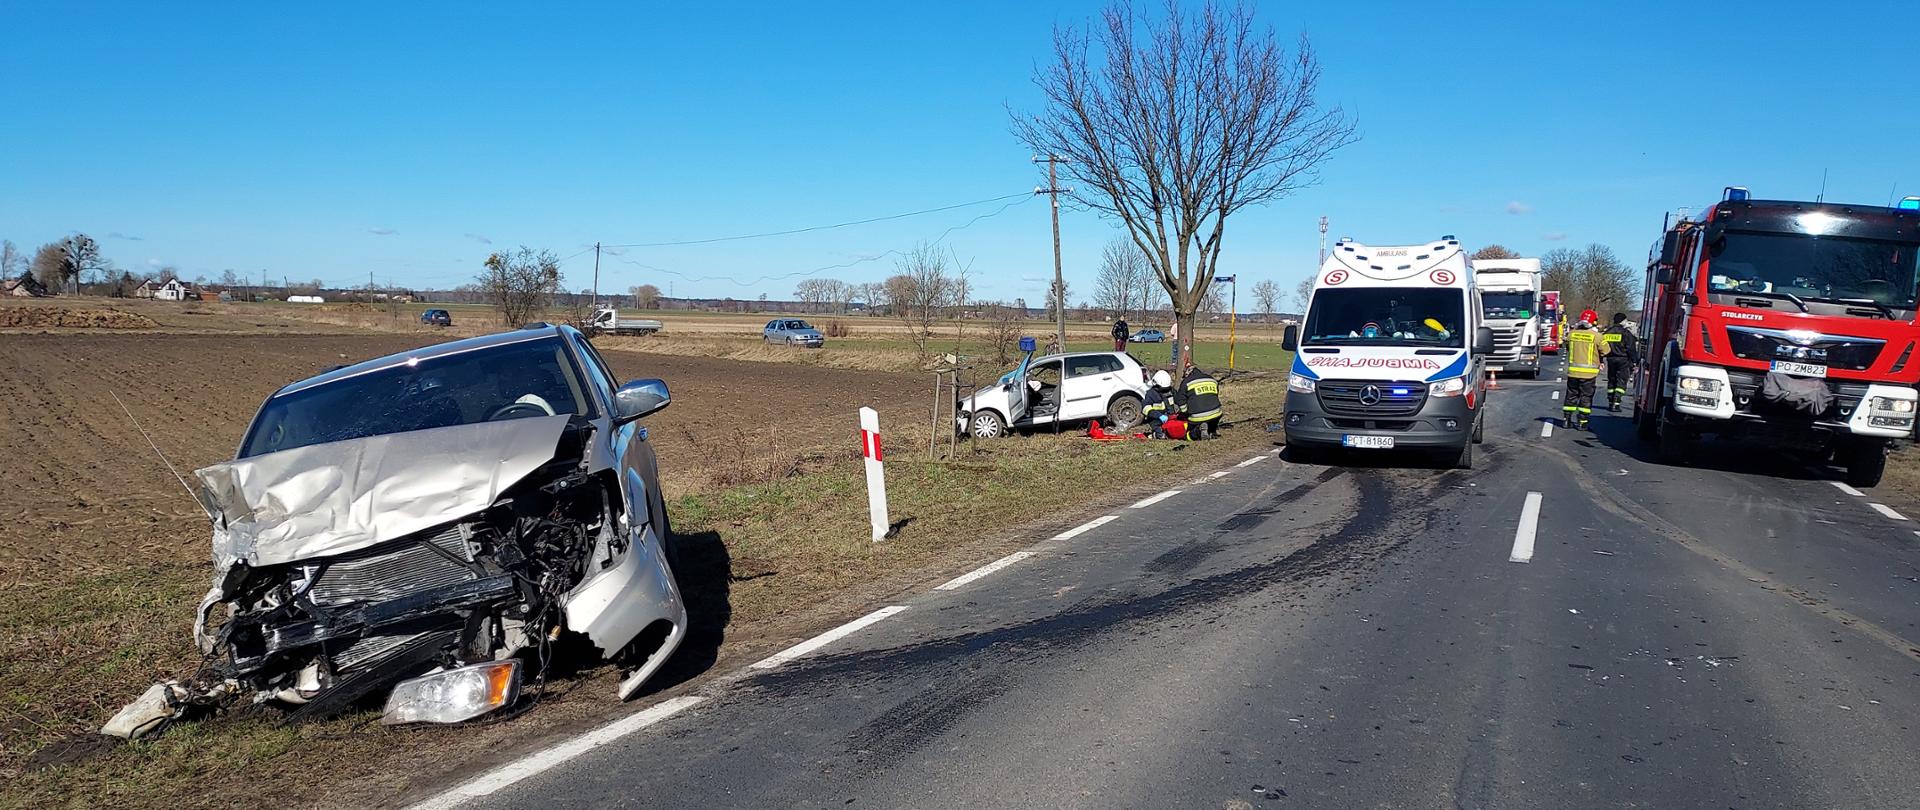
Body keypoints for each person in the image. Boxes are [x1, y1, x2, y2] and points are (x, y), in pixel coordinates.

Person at [1562, 315, 1609, 429]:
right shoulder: (1597, 336)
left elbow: (1567, 347)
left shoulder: (1571, 334)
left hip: (1573, 372)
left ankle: (1567, 420)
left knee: (1571, 395)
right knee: (1586, 397)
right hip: (1589, 374)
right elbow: (1606, 350)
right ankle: (1582, 422)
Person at [1601, 313, 1639, 412]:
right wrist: (1635, 361)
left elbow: (1601, 347)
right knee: (1621, 381)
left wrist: (1601, 360)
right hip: (1623, 360)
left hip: (1610, 359)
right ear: (1623, 321)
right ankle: (1616, 403)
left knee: (1612, 380)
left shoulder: (1607, 333)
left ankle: (1610, 401)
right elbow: (1631, 348)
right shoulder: (1626, 333)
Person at [1175, 363, 1223, 440]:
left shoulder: (1186, 382)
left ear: (1187, 374)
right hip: (1216, 413)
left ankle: (1198, 431)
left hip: (1197, 416)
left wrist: (1185, 413)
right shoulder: (1211, 379)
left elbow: (1180, 400)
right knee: (1211, 419)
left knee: (1187, 435)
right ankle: (1212, 430)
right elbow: (1215, 395)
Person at [1142, 369, 1175, 438]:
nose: (1165, 391)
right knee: (1161, 434)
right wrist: (1159, 416)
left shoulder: (1171, 391)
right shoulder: (1151, 394)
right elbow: (1146, 408)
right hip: (1156, 419)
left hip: (1171, 417)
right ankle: (1157, 434)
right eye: (1163, 389)